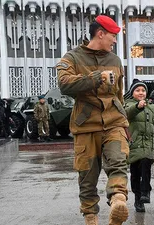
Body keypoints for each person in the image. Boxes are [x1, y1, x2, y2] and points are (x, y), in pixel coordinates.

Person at [56, 15, 129, 225]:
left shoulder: (115, 60)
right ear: (100, 33)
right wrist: (97, 77)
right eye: (113, 36)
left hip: (113, 123)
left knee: (118, 162)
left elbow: (119, 95)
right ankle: (91, 219)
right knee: (87, 179)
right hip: (86, 127)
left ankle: (118, 201)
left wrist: (124, 123)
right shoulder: (72, 58)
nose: (115, 41)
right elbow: (65, 84)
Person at [124, 79, 154, 213]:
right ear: (132, 93)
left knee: (146, 165)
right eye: (137, 90)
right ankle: (138, 199)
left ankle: (145, 192)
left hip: (148, 145)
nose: (141, 92)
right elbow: (127, 115)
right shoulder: (128, 104)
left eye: (143, 90)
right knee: (135, 174)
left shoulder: (152, 107)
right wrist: (138, 107)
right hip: (134, 145)